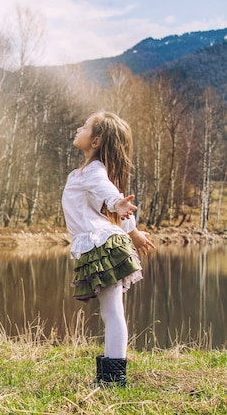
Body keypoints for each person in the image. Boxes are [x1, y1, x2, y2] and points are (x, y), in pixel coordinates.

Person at [61, 111, 155, 387]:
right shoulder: (87, 171)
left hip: (103, 245)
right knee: (111, 311)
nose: (80, 128)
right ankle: (110, 376)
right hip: (101, 242)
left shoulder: (93, 172)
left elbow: (107, 193)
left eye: (86, 126)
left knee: (113, 312)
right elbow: (108, 203)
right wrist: (134, 232)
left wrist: (117, 203)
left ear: (96, 141)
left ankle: (114, 378)